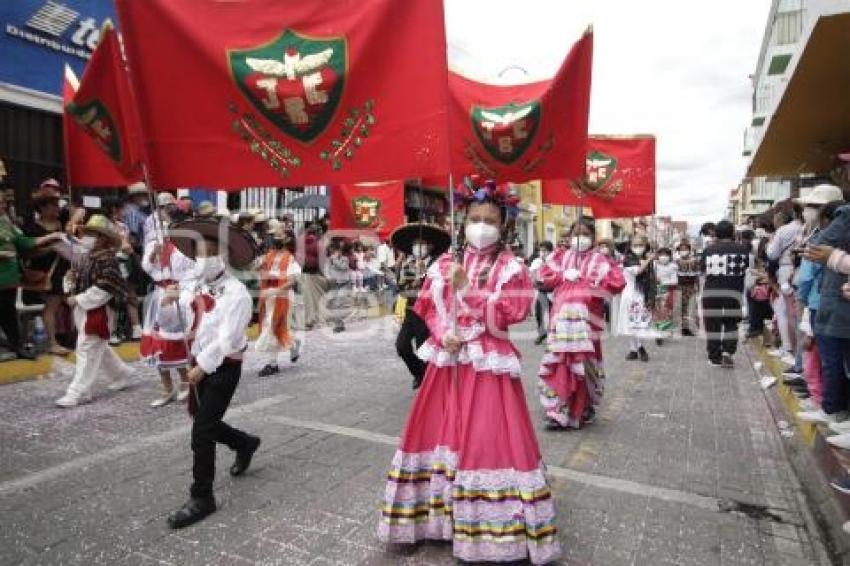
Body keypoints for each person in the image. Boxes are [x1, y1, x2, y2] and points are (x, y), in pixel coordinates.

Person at [378, 179, 560, 564]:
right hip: (449, 364)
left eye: (489, 219)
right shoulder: (444, 263)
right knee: (440, 435)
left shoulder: (512, 267)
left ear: (504, 225)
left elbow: (511, 314)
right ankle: (438, 520)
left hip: (488, 364)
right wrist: (444, 334)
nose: (481, 226)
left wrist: (469, 290)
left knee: (485, 439)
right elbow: (426, 307)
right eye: (474, 218)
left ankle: (492, 531)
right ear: (462, 223)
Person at [163, 217, 261, 529]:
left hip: (222, 367)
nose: (201, 257)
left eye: (209, 251)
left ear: (224, 255)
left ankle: (202, 495)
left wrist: (201, 368)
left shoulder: (238, 294)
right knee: (206, 422)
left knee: (202, 430)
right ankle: (244, 443)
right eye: (199, 251)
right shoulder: (197, 285)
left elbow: (228, 340)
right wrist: (171, 298)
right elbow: (183, 313)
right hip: (199, 362)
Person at [537, 218, 625, 429]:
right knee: (560, 362)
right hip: (561, 320)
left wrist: (589, 282)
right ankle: (557, 410)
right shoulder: (560, 256)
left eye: (585, 234)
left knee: (585, 364)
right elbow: (543, 276)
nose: (580, 238)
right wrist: (562, 275)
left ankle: (583, 407)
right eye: (576, 233)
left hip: (587, 322)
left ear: (593, 238)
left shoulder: (601, 260)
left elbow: (617, 282)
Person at [55, 215, 135, 407]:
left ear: (103, 238)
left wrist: (79, 299)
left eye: (92, 234)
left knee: (86, 348)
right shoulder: (86, 257)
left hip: (99, 310)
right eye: (87, 233)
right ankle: (121, 373)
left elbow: (107, 287)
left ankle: (79, 392)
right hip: (85, 309)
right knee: (97, 345)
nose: (87, 236)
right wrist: (70, 281)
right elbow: (78, 280)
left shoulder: (107, 259)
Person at [797, 199, 850, 428]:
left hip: (831, 306)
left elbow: (814, 250)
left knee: (832, 361)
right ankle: (830, 406)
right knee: (829, 361)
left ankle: (832, 408)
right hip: (830, 302)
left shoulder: (843, 217)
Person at [0, 192, 62, 360]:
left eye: (3, 202)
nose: (3, 205)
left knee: (9, 314)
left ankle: (17, 347)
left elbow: (24, 242)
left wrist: (52, 236)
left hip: (9, 278)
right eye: (0, 202)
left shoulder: (7, 223)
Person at [140, 230, 196, 407]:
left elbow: (191, 273)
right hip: (158, 296)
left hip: (176, 296)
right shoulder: (152, 244)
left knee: (174, 342)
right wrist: (153, 255)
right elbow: (147, 269)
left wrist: (180, 291)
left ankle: (185, 382)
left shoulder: (183, 248)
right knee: (156, 343)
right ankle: (167, 388)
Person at [391, 223, 450, 389]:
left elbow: (442, 288)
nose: (418, 247)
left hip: (429, 315)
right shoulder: (408, 263)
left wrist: (425, 273)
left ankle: (429, 385)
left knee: (424, 350)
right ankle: (419, 374)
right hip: (410, 313)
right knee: (401, 346)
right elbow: (402, 287)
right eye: (416, 244)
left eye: (422, 244)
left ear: (430, 246)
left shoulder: (439, 263)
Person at [22, 185, 72, 355]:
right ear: (42, 207)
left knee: (74, 304)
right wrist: (52, 247)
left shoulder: (63, 222)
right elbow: (29, 252)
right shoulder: (32, 228)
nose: (58, 208)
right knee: (51, 307)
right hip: (47, 273)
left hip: (67, 271)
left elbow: (80, 210)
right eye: (53, 205)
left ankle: (72, 337)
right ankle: (52, 342)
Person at [701, 220, 750, 368]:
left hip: (712, 292)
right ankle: (728, 352)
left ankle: (714, 358)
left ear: (716, 234)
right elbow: (745, 268)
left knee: (712, 325)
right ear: (733, 233)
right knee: (731, 323)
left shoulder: (708, 250)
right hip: (733, 292)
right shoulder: (742, 250)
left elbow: (703, 270)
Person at [255, 229, 302, 377]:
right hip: (269, 297)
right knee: (275, 328)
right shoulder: (269, 255)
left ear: (287, 239)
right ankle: (294, 343)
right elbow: (257, 269)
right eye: (274, 236)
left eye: (279, 236)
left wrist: (275, 291)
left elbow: (292, 281)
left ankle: (272, 364)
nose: (275, 238)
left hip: (283, 297)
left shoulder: (290, 259)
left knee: (272, 327)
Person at [765, 202, 803, 367]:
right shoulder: (804, 228)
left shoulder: (783, 231)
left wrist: (770, 242)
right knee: (797, 313)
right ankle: (794, 351)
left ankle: (790, 349)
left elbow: (772, 253)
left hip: (787, 271)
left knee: (786, 312)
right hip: (801, 270)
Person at [616, 234, 657, 361]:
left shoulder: (645, 258)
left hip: (642, 294)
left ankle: (634, 350)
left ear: (645, 246)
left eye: (641, 245)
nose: (638, 247)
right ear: (630, 246)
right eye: (635, 245)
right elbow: (638, 271)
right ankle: (639, 348)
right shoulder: (628, 258)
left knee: (639, 322)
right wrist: (649, 260)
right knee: (632, 322)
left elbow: (650, 277)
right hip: (630, 294)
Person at [298, 224, 327, 329]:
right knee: (317, 298)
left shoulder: (302, 242)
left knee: (307, 299)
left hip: (304, 272)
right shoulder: (319, 244)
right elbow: (322, 261)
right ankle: (315, 319)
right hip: (315, 273)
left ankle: (307, 320)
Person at [529, 241, 554, 345]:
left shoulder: (554, 261)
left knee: (553, 313)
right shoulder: (537, 262)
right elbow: (532, 275)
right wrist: (535, 281)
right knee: (539, 313)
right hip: (542, 290)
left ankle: (553, 334)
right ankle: (541, 333)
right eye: (541, 250)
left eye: (545, 250)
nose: (542, 253)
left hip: (553, 291)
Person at [652, 247, 678, 341]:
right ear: (657, 256)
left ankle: (664, 330)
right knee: (657, 312)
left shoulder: (673, 266)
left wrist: (662, 282)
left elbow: (675, 281)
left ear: (669, 256)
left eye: (666, 255)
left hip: (668, 291)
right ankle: (659, 332)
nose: (663, 257)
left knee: (667, 312)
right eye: (661, 254)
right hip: (656, 291)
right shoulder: (654, 265)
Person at [676, 241, 700, 336]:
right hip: (679, 286)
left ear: (689, 250)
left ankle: (688, 328)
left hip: (690, 287)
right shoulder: (676, 262)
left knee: (691, 307)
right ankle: (682, 327)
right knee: (680, 308)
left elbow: (697, 275)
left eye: (685, 249)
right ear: (678, 251)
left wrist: (697, 286)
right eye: (681, 249)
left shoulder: (695, 261)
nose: (683, 251)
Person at [123, 182, 151, 251]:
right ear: (134, 196)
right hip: (139, 250)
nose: (146, 197)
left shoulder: (141, 211)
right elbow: (133, 237)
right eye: (142, 195)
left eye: (145, 194)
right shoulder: (132, 212)